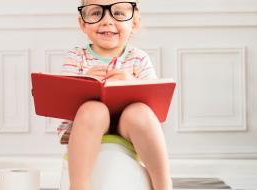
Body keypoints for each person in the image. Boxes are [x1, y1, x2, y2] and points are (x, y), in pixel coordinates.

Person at [58, 0, 172, 189]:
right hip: (87, 125)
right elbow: (63, 103)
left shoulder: (139, 58)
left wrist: (133, 84)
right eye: (95, 13)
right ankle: (78, 186)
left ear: (134, 22)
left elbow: (154, 107)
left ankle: (162, 183)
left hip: (128, 128)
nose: (107, 21)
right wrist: (83, 82)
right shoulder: (77, 57)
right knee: (93, 110)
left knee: (140, 112)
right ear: (83, 24)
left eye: (118, 13)